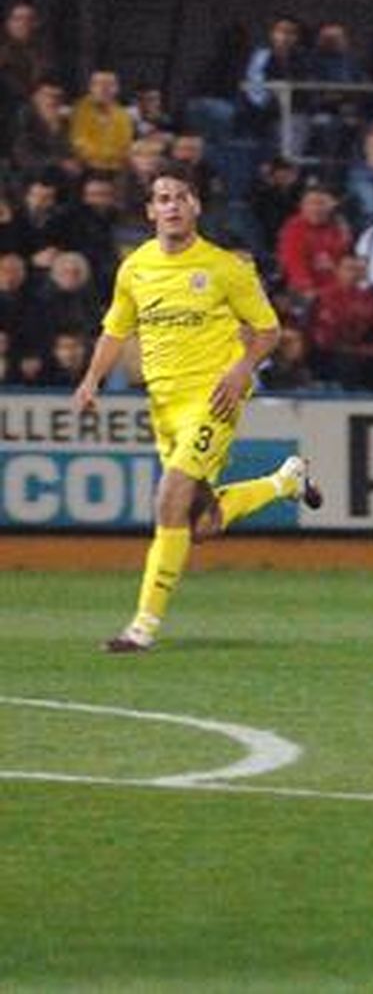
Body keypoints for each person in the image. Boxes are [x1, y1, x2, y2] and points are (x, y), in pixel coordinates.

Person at [71, 162, 322, 653]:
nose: (171, 206)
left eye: (180, 197)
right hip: (163, 405)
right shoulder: (136, 268)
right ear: (150, 211)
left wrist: (241, 367)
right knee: (199, 524)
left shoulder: (224, 268)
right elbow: (116, 330)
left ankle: (142, 627)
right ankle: (283, 482)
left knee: (169, 496)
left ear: (196, 207)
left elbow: (268, 330)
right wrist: (91, 379)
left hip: (214, 397)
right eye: (162, 199)